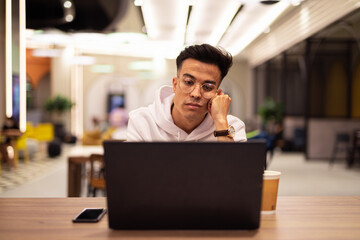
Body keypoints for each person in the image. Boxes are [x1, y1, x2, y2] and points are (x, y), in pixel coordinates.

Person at [127, 44, 246, 142]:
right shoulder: (142, 121)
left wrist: (220, 121)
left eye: (208, 87)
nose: (196, 94)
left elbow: (235, 170)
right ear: (175, 84)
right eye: (189, 82)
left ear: (218, 94)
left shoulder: (231, 126)